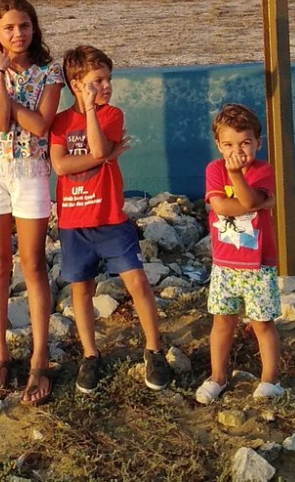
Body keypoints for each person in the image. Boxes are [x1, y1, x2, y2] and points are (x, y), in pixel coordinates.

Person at [47, 44, 171, 395]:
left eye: (108, 79)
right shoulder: (59, 123)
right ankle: (90, 353)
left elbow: (99, 149)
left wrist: (101, 146)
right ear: (75, 84)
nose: (106, 86)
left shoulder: (111, 115)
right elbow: (60, 165)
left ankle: (154, 349)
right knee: (81, 289)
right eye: (97, 80)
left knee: (136, 282)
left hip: (110, 218)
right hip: (74, 222)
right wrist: (103, 157)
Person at [0, 0, 62, 405]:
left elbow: (40, 125)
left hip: (31, 173)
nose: (17, 34)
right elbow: (1, 124)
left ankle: (40, 356)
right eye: (8, 28)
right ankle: (1, 353)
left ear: (33, 27)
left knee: (34, 263)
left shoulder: (50, 71)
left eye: (24, 25)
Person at [197, 102, 284, 405]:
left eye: (245, 142)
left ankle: (270, 380)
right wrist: (256, 203)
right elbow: (221, 206)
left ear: (258, 143)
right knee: (222, 320)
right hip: (225, 264)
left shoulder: (264, 170)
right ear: (219, 145)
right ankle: (218, 376)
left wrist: (239, 183)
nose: (238, 150)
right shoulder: (214, 169)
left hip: (258, 265)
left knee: (262, 323)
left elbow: (246, 198)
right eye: (230, 144)